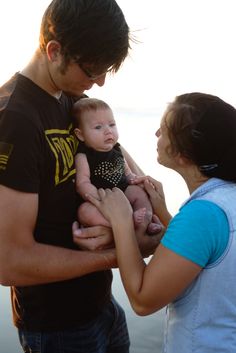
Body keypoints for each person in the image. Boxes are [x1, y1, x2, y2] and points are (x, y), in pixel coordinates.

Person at [0, 1, 162, 352]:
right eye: (92, 70)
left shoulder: (73, 99)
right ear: (54, 50)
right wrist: (123, 253)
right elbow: (9, 261)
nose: (100, 82)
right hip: (58, 328)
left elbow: (113, 152)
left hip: (102, 305)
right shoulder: (14, 119)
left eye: (106, 71)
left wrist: (145, 193)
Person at [87, 92, 236, 353]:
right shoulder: (225, 199)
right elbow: (207, 251)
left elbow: (143, 300)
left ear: (183, 155)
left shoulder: (203, 215)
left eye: (164, 129)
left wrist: (121, 220)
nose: (156, 133)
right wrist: (163, 211)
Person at [73, 97, 160, 235]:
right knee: (84, 211)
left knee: (138, 193)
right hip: (101, 199)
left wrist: (135, 180)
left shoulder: (117, 149)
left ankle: (146, 222)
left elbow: (127, 172)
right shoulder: (83, 156)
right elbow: (82, 183)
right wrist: (101, 199)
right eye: (98, 127)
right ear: (81, 135)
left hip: (122, 192)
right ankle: (120, 225)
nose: (108, 131)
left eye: (112, 125)